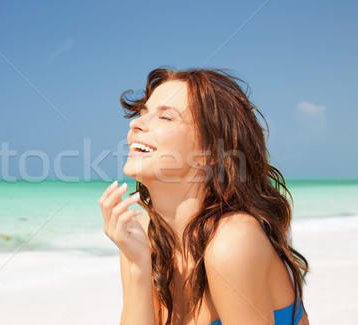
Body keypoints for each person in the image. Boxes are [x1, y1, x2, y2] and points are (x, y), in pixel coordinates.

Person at [99, 67, 310, 325]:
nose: (135, 123)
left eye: (165, 117)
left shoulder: (231, 241)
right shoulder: (141, 237)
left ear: (210, 154)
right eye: (143, 113)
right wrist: (138, 265)